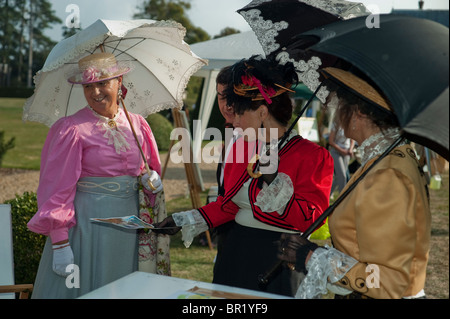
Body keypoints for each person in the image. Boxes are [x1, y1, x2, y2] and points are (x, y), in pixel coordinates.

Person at [153, 55, 334, 297]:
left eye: (239, 114)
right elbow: (228, 207)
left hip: (278, 261)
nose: (233, 121)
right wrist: (184, 220)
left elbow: (311, 221)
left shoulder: (314, 156)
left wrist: (274, 181)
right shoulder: (241, 147)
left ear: (261, 112)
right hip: (235, 254)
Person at [277, 67, 431, 299]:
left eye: (340, 105)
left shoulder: (389, 175)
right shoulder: (382, 161)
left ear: (357, 112)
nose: (337, 114)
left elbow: (391, 280)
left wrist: (313, 257)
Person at [27, 52, 169, 298]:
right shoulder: (71, 129)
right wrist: (60, 242)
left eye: (103, 83)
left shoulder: (138, 124)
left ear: (119, 83)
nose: (95, 92)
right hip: (89, 225)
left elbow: (149, 169)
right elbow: (57, 189)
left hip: (131, 225)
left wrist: (150, 180)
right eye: (88, 86)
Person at [328, 113, 355, 195]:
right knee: (343, 176)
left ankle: (327, 195)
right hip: (336, 152)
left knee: (338, 178)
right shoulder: (335, 125)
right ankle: (342, 199)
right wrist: (341, 150)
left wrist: (351, 149)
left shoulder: (350, 125)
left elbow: (352, 140)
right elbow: (331, 141)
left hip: (346, 153)